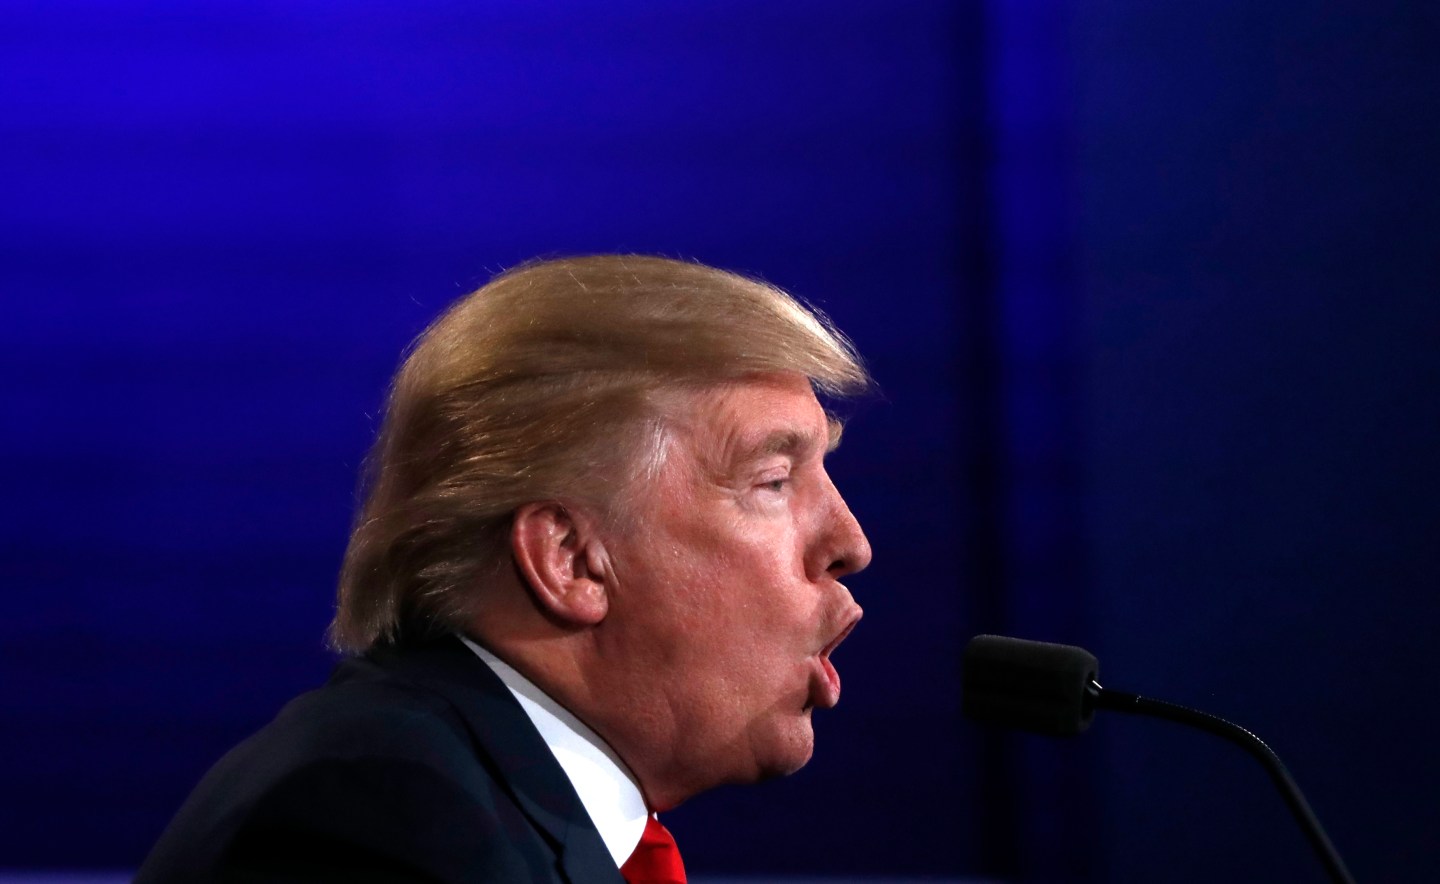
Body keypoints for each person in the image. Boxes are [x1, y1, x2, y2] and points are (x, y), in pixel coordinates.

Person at [137, 255, 874, 883]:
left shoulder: (473, 799)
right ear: (572, 560)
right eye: (774, 481)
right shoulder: (380, 826)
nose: (850, 542)